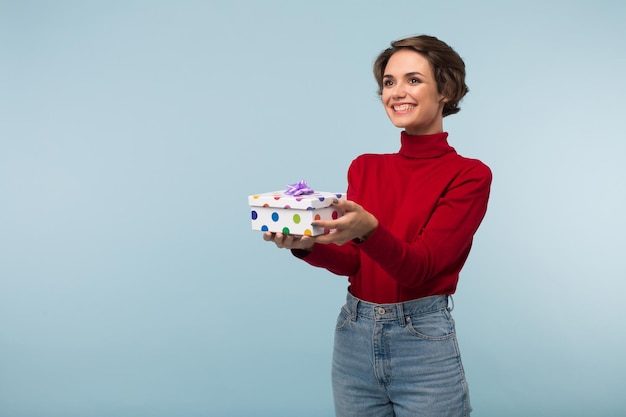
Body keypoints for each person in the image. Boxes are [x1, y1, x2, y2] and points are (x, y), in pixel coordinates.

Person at [263, 34, 491, 417]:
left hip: (423, 343)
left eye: (413, 80)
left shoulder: (469, 175)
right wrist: (305, 245)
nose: (396, 92)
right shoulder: (365, 167)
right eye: (389, 82)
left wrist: (368, 229)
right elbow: (356, 263)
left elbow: (419, 269)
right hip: (354, 336)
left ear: (446, 90)